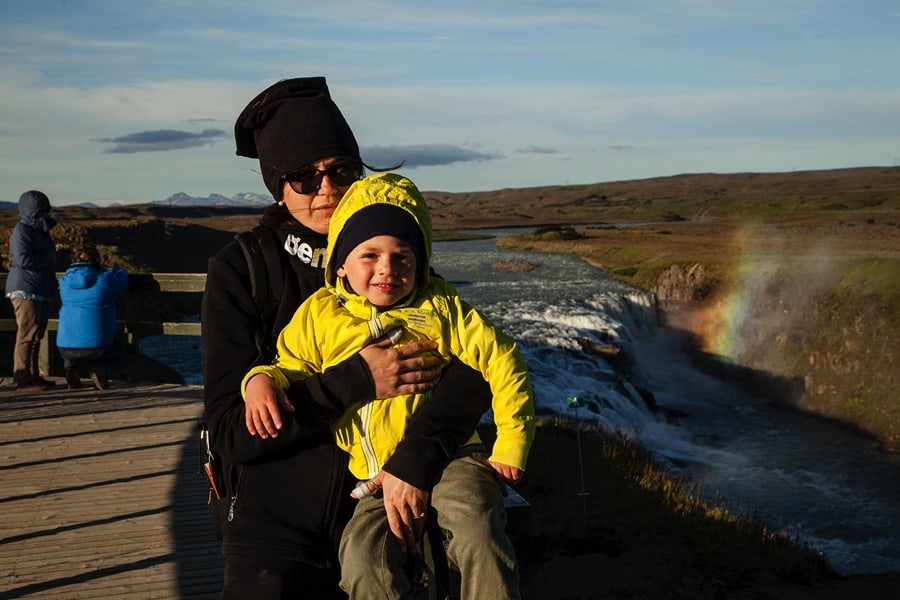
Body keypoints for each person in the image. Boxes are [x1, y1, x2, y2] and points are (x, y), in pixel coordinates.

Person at [201, 76, 493, 599]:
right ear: (276, 183)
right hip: (275, 536)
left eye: (341, 170)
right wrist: (357, 379)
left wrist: (414, 463)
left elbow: (470, 376)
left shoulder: (391, 252)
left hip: (388, 513)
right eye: (303, 177)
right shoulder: (242, 270)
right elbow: (230, 435)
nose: (327, 189)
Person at [244, 172, 536, 599]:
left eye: (403, 257)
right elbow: (291, 364)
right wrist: (259, 381)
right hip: (374, 478)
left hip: (454, 458)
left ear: (420, 263)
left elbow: (502, 358)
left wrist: (512, 441)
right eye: (370, 255)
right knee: (362, 558)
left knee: (476, 527)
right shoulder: (319, 316)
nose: (387, 269)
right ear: (340, 263)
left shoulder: (440, 307)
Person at [56, 244, 132, 390]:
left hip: (64, 347)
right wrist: (118, 271)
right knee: (126, 351)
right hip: (97, 347)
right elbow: (122, 284)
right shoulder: (105, 279)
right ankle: (99, 371)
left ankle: (70, 369)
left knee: (75, 337)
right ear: (96, 259)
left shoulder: (64, 281)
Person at [5, 190, 57, 392]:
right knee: (27, 335)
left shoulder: (38, 230)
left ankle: (34, 376)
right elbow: (22, 260)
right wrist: (49, 260)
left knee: (37, 335)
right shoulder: (22, 231)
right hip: (25, 288)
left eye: (46, 210)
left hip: (38, 286)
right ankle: (23, 379)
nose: (45, 214)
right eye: (41, 211)